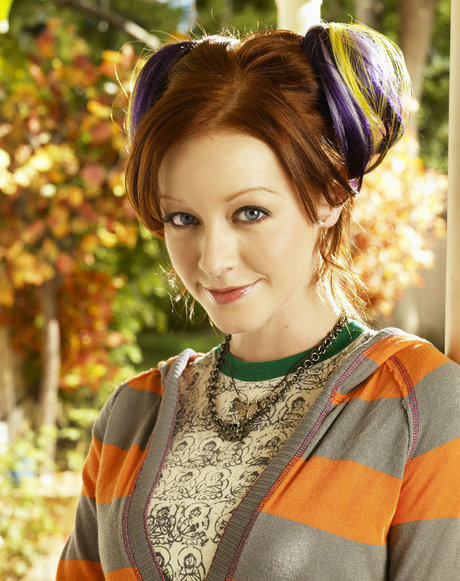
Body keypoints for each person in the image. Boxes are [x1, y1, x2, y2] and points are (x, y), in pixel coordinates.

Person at [57, 21, 459, 580]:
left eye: (250, 212)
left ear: (330, 192)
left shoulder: (417, 403)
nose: (212, 259)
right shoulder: (130, 415)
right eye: (183, 218)